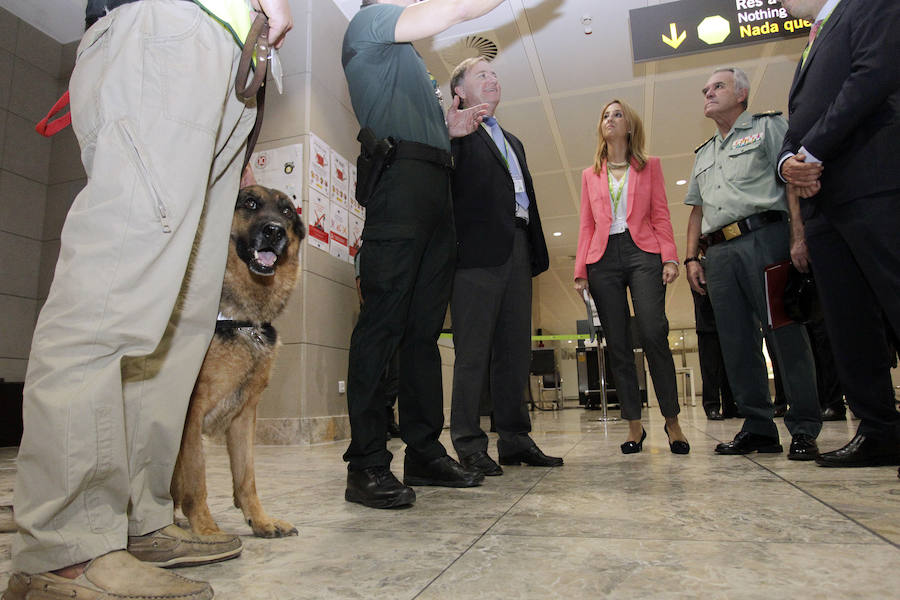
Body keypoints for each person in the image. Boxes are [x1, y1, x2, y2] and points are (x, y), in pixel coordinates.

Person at [2, 1, 293, 599]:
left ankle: (141, 519)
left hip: (231, 63)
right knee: (113, 294)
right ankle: (65, 547)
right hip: (172, 28)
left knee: (177, 325)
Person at [341, 0, 514, 510]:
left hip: (436, 184)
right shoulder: (370, 21)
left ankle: (423, 451)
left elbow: (422, 122)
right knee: (383, 324)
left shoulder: (410, 59)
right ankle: (367, 463)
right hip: (400, 184)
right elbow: (453, 10)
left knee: (421, 333)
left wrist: (449, 129)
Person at [778, 0, 900, 471]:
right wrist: (786, 161)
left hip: (872, 180)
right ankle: (879, 429)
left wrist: (809, 152)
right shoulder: (811, 41)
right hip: (822, 202)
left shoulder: (867, 4)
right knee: (849, 323)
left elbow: (873, 76)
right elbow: (799, 118)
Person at [684, 67, 821, 461]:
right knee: (737, 342)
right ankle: (758, 427)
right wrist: (692, 256)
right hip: (720, 253)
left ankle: (804, 426)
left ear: (741, 94)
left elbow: (791, 180)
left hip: (766, 237)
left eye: (717, 87)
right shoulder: (704, 152)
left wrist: (798, 235)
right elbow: (696, 211)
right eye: (705, 89)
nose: (708, 93)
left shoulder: (769, 127)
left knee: (784, 333)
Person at [447, 57, 563, 475]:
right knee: (473, 352)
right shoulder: (455, 135)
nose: (492, 79)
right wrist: (447, 133)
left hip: (518, 246)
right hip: (475, 254)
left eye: (494, 74)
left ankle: (515, 439)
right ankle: (468, 443)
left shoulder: (513, 140)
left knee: (515, 352)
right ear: (459, 92)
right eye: (481, 75)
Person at [574, 99, 689, 455]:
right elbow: (586, 225)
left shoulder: (649, 166)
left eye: (617, 114)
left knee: (654, 331)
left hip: (644, 252)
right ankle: (634, 426)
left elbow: (661, 216)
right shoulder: (590, 174)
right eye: (605, 115)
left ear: (629, 126)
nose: (610, 119)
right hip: (602, 258)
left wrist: (669, 256)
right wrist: (581, 271)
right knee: (619, 343)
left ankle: (672, 422)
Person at [354, 249, 401, 439]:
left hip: (395, 320)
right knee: (378, 372)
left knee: (395, 374)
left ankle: (388, 415)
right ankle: (378, 422)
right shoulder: (364, 253)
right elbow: (360, 285)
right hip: (375, 319)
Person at [691, 265, 737, 421]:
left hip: (728, 321)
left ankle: (731, 405)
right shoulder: (697, 267)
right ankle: (712, 405)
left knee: (730, 364)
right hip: (707, 324)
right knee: (710, 367)